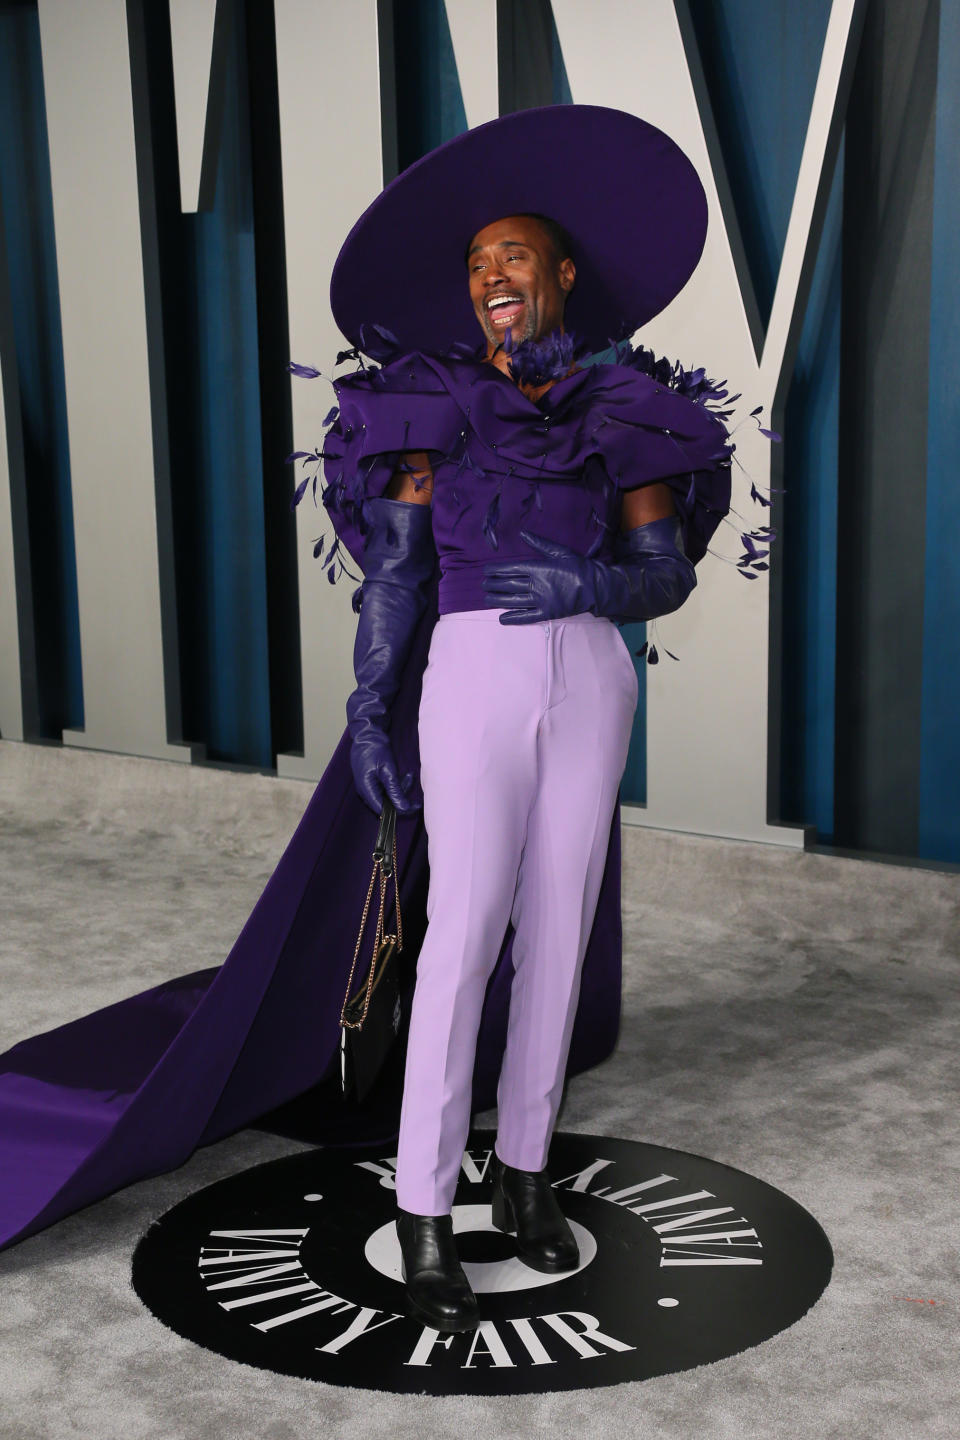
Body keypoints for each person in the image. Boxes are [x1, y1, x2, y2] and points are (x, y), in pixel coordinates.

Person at [312, 105, 750, 1331]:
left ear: (561, 273)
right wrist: (368, 706)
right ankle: (419, 1204)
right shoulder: (423, 407)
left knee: (559, 931)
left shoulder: (633, 408)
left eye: (514, 254)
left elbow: (665, 574)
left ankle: (523, 1180)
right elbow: (397, 573)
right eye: (474, 263)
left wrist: (593, 588)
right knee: (459, 937)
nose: (491, 274)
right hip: (472, 670)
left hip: (593, 669)